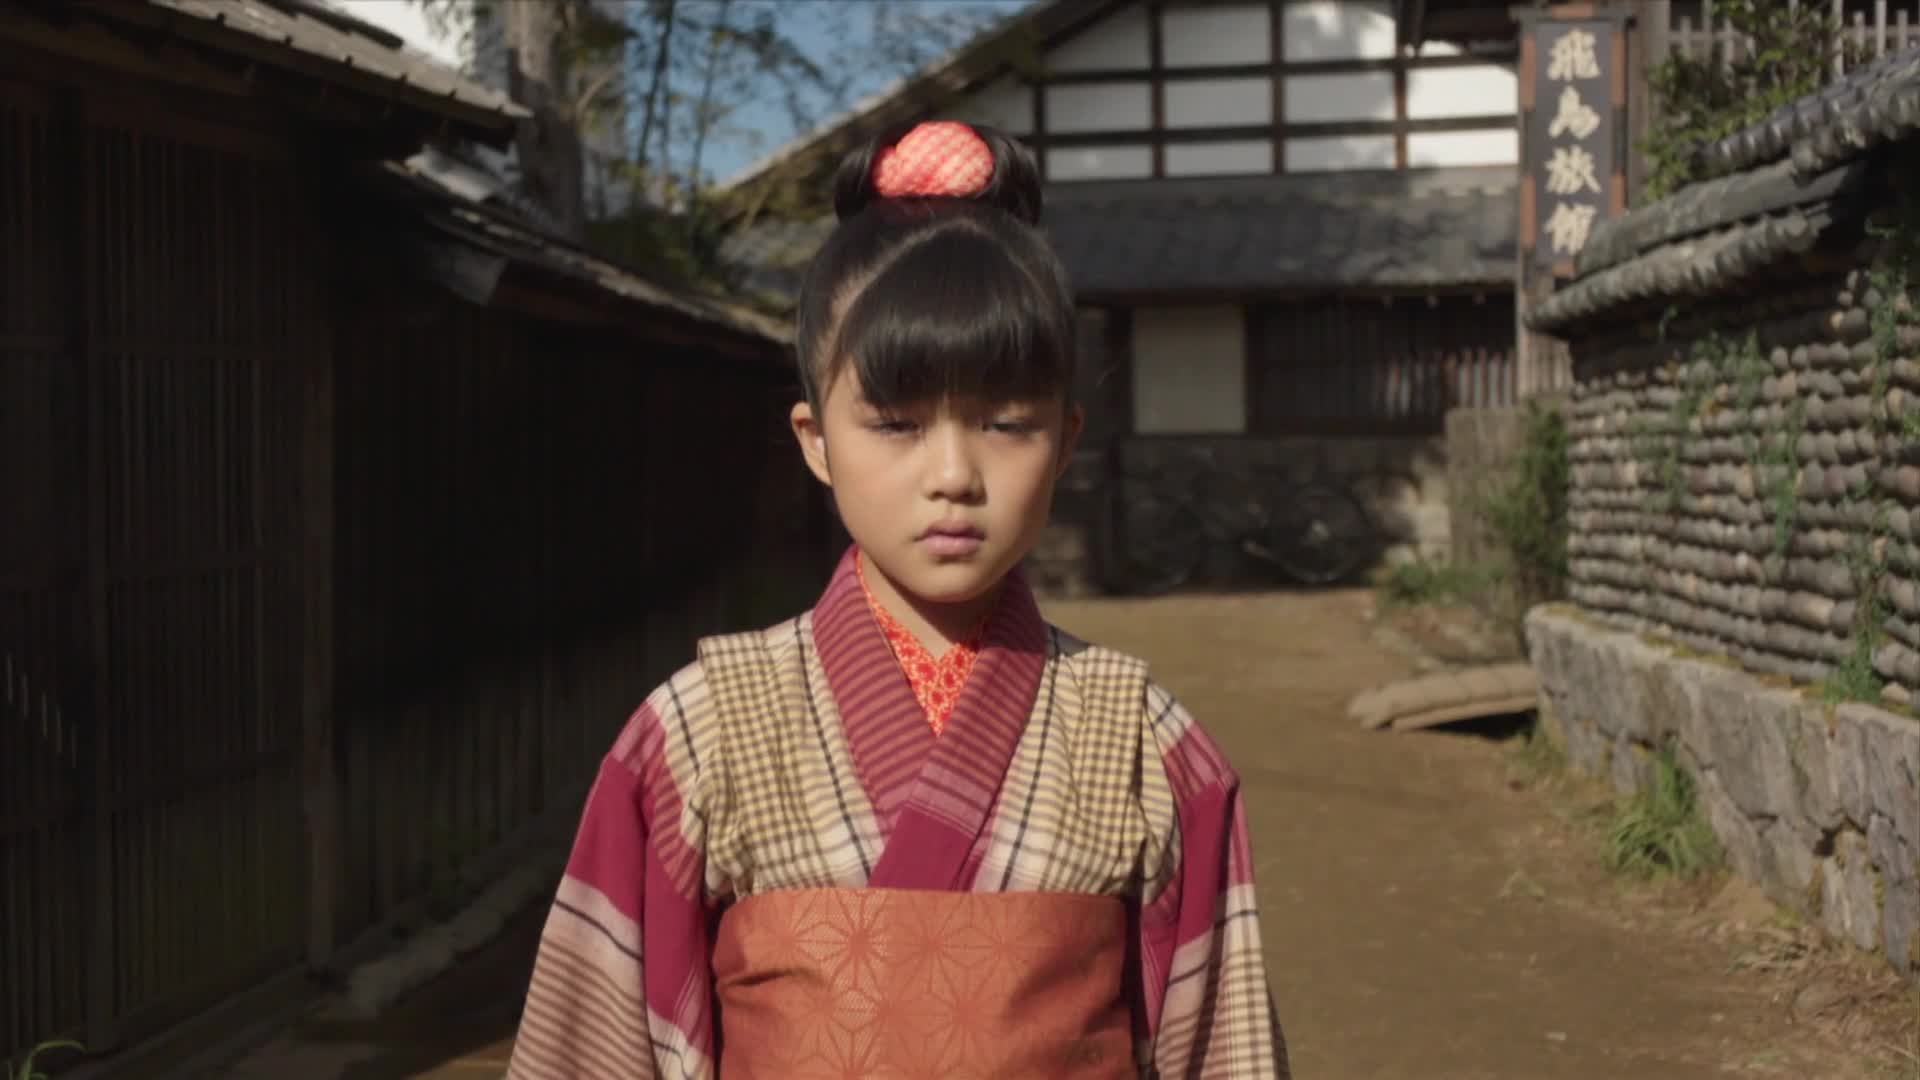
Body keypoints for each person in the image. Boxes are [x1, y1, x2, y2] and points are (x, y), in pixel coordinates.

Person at [504, 120, 1290, 1079]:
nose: (953, 474)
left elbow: (1222, 1051)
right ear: (815, 440)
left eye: (1007, 422)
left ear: (1066, 439)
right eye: (895, 424)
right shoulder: (699, 733)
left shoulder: (1144, 743)